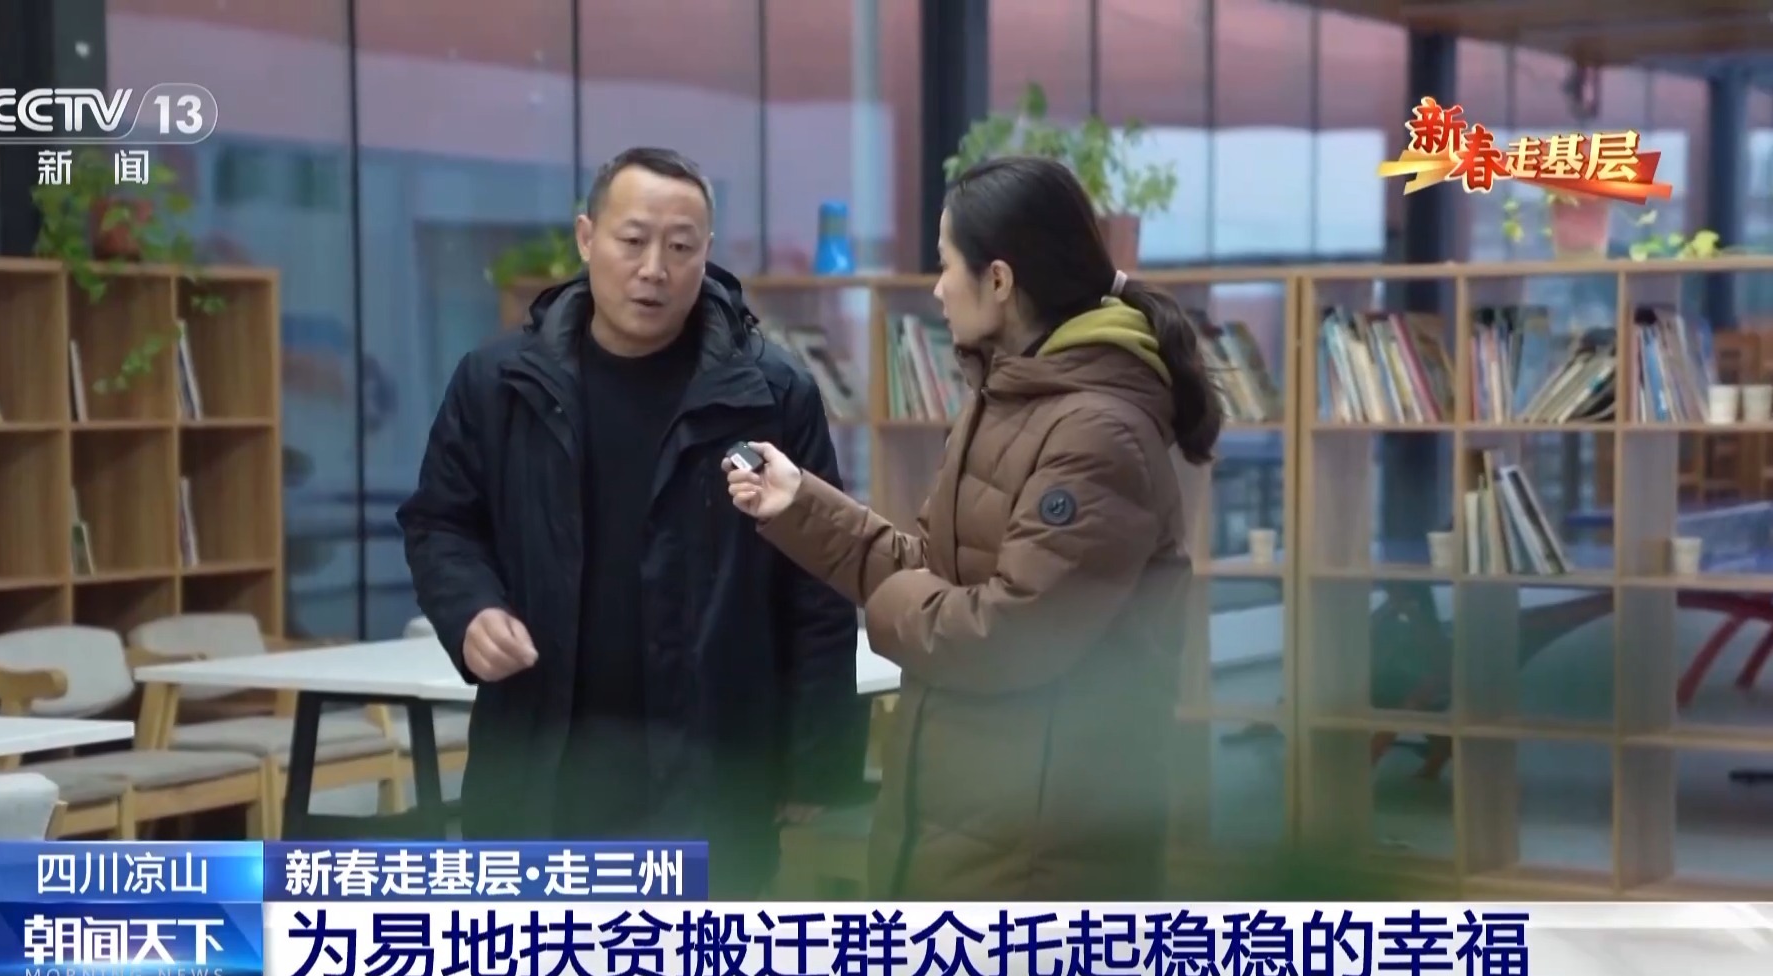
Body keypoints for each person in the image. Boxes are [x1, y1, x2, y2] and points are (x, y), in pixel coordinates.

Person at [723, 155, 1222, 899]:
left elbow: (1010, 632)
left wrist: (886, 611)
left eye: (944, 263)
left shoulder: (1096, 433)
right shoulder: (1009, 398)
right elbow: (937, 568)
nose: (936, 287)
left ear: (999, 280)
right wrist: (799, 504)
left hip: (1042, 853)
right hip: (970, 822)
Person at [398, 146, 863, 896]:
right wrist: (470, 608)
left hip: (714, 768)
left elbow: (819, 580)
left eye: (680, 248)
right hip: (541, 762)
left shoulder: (770, 395)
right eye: (633, 240)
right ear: (587, 238)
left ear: (706, 253)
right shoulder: (498, 384)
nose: (655, 269)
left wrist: (816, 763)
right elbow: (441, 523)